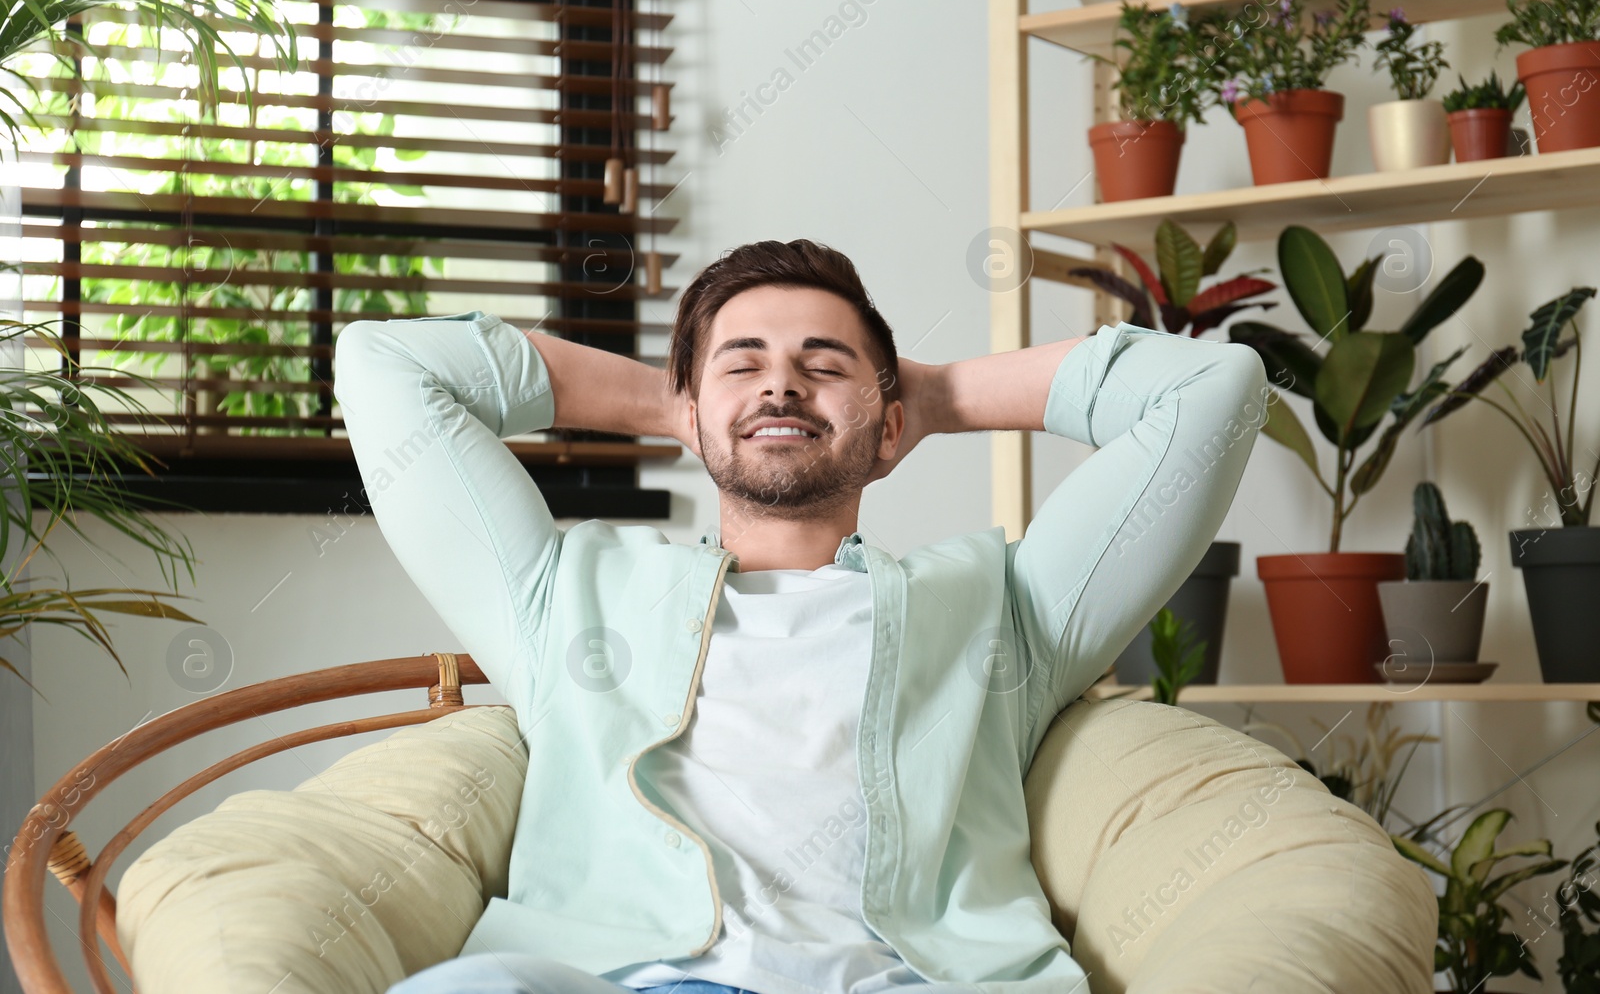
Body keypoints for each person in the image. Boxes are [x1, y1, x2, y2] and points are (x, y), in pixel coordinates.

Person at [333, 238, 1268, 994]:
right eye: (745, 365)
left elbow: (1213, 394)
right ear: (690, 416)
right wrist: (681, 407)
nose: (782, 387)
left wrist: (933, 397)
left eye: (823, 367)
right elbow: (386, 366)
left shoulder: (1002, 607)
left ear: (888, 422)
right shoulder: (566, 592)